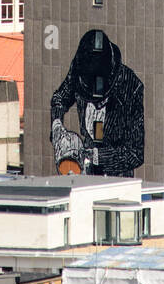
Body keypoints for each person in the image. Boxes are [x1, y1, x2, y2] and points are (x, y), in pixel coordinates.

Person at [50, 28, 144, 176]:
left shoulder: (131, 87)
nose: (96, 104)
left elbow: (135, 153)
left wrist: (96, 156)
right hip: (84, 173)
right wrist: (57, 125)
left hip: (116, 180)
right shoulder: (80, 68)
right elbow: (59, 98)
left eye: (100, 100)